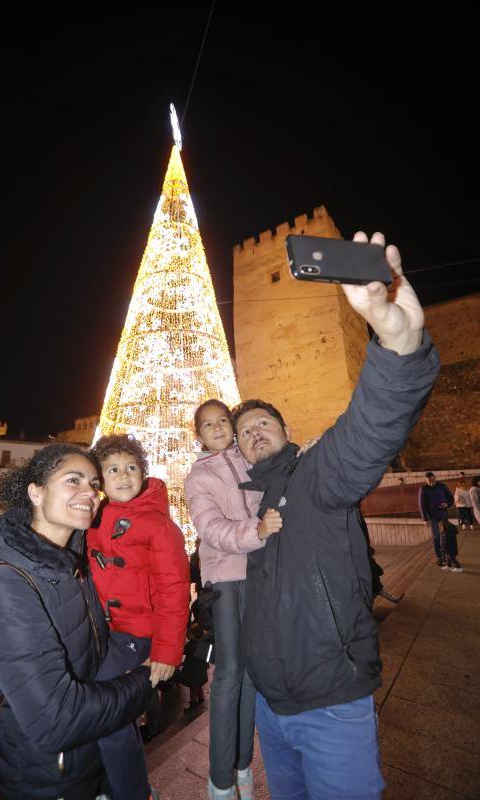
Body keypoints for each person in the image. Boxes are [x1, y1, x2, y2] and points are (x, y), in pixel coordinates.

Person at [231, 231, 440, 800]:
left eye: (263, 424)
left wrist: (399, 348)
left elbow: (366, 434)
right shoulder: (255, 506)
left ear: (287, 434)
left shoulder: (316, 475)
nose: (253, 434)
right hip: (271, 709)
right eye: (244, 433)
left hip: (330, 705)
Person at [0, 443, 152, 800]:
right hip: (48, 782)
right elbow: (57, 720)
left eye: (94, 483)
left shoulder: (75, 565)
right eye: (73, 480)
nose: (90, 492)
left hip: (92, 765)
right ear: (35, 492)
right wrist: (146, 679)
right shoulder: (6, 587)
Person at [184, 399, 282, 800]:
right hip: (225, 578)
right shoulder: (197, 476)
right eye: (209, 425)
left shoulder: (248, 459)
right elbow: (210, 528)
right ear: (199, 435)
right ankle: (219, 779)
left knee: (249, 675)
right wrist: (255, 531)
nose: (219, 427)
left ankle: (243, 765)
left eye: (224, 420)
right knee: (227, 675)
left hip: (257, 575)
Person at [88, 434, 189, 800]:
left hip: (138, 635)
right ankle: (107, 786)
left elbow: (175, 589)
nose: (124, 475)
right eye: (113, 469)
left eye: (132, 467)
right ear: (100, 478)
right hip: (105, 633)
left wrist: (166, 650)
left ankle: (133, 792)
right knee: (97, 709)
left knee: (106, 709)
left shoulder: (157, 524)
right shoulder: (94, 516)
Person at [419, 472, 454, 565]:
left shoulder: (442, 486)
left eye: (431, 480)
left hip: (443, 514)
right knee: (436, 536)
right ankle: (439, 557)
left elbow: (451, 498)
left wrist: (447, 504)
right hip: (432, 516)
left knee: (446, 535)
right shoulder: (423, 488)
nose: (430, 483)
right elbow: (421, 505)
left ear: (434, 478)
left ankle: (448, 555)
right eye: (428, 481)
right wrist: (425, 519)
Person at [180, 621, 209, 712]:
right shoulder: (204, 643)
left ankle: (193, 703)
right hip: (200, 670)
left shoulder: (190, 645)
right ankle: (200, 698)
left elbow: (183, 651)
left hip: (192, 671)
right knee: (199, 685)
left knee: (192, 688)